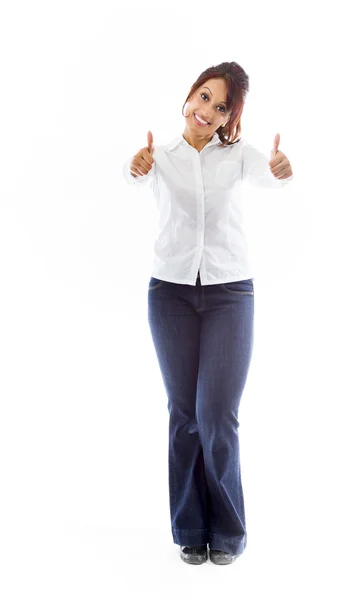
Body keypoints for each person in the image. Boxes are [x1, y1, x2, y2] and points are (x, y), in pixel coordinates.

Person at [122, 61, 294, 566]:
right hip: (170, 294)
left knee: (217, 415)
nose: (208, 111)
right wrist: (135, 165)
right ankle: (190, 527)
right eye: (204, 97)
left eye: (221, 107)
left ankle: (230, 531)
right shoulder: (160, 154)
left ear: (227, 118)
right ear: (189, 95)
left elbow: (272, 173)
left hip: (230, 295)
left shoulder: (237, 156)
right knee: (184, 417)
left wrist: (282, 168)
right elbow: (134, 176)